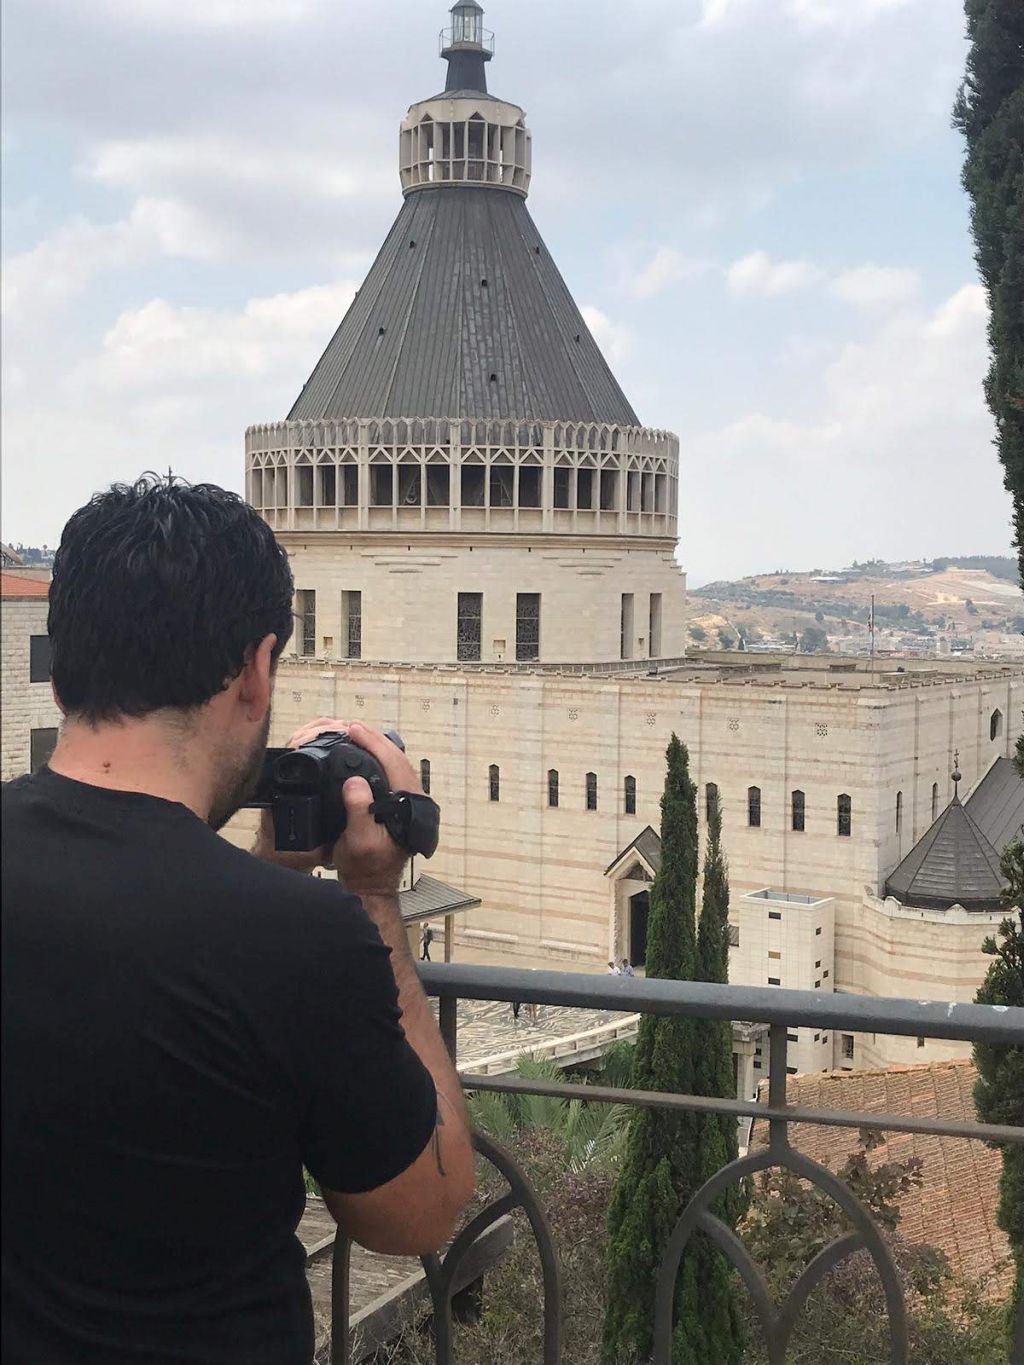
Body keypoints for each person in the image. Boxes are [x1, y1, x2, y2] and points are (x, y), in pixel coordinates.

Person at [1, 477, 474, 1365]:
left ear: (62, 669)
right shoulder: (301, 940)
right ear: (256, 670)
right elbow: (420, 1207)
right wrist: (372, 894)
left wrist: (271, 874)